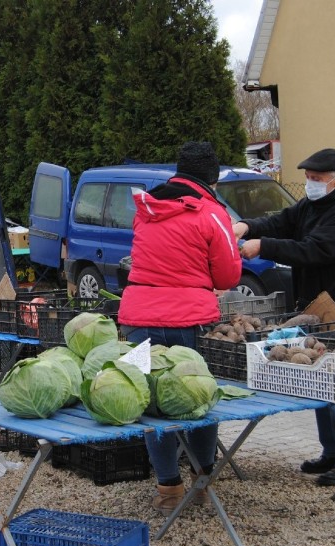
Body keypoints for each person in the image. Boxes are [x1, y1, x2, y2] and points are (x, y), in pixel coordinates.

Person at [233, 148, 335, 486]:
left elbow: (315, 250)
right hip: (317, 310)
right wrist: (247, 225)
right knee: (323, 379)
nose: (310, 184)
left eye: (316, 179)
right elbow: (281, 221)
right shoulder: (312, 205)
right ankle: (333, 452)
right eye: (308, 179)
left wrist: (262, 246)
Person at [118, 141, 242, 515]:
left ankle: (168, 486)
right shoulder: (212, 212)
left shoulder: (147, 209)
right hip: (192, 319)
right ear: (213, 178)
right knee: (198, 399)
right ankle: (202, 483)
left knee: (152, 402)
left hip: (139, 318)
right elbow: (228, 274)